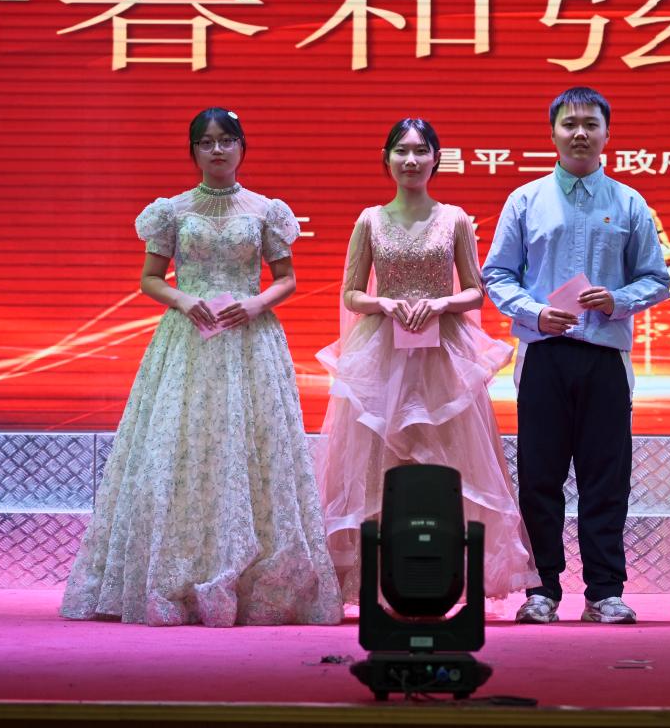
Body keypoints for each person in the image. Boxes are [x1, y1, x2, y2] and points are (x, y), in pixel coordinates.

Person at [61, 107, 342, 627]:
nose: (217, 150)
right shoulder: (172, 211)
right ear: (193, 151)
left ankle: (256, 583)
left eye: (226, 140)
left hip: (249, 342)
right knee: (178, 451)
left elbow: (287, 279)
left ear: (241, 147)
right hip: (187, 341)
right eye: (206, 142)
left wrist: (257, 303)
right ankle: (175, 578)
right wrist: (184, 299)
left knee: (253, 451)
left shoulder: (265, 210)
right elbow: (150, 279)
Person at [315, 117, 538, 602]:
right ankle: (380, 580)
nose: (411, 160)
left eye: (421, 151)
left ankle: (445, 576)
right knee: (379, 463)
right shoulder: (369, 220)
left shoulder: (454, 218)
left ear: (437, 158)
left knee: (449, 462)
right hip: (382, 355)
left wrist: (440, 303)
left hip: (443, 355)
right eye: (401, 151)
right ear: (387, 159)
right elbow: (351, 293)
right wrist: (383, 302)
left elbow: (476, 291)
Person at [482, 87, 670, 624]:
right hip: (543, 353)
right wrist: (535, 312)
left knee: (605, 478)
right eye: (570, 124)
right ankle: (541, 590)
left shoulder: (629, 202)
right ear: (553, 133)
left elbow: (657, 279)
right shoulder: (525, 200)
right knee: (539, 477)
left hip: (605, 356)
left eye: (591, 124)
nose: (580, 133)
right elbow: (497, 274)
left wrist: (618, 300)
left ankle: (604, 592)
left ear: (608, 133)